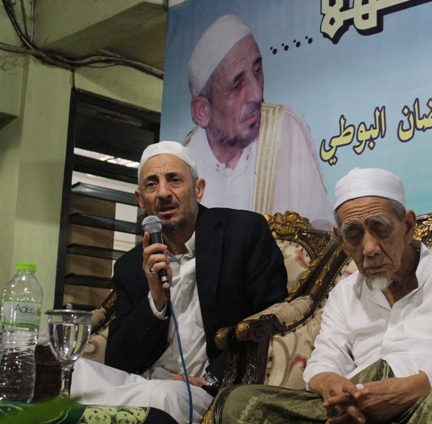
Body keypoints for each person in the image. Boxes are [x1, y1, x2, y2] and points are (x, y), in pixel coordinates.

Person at [212, 168, 432, 423]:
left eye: (380, 228)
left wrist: (411, 386)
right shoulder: (344, 294)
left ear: (408, 226)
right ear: (340, 239)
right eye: (354, 235)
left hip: (425, 400)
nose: (369, 248)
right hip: (357, 405)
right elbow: (325, 360)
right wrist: (335, 389)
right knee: (237, 402)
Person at [71, 141, 288, 424]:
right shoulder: (130, 266)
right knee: (74, 374)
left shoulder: (242, 234)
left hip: (201, 388)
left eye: (174, 180)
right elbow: (119, 360)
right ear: (140, 199)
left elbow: (270, 317)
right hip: (142, 384)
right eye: (152, 184)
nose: (163, 193)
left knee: (163, 399)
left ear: (197, 189)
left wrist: (211, 378)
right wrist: (155, 301)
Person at [185, 14, 334, 229]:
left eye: (258, 71)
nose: (256, 94)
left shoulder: (286, 127)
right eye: (237, 86)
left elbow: (320, 229)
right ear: (202, 112)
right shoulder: (187, 156)